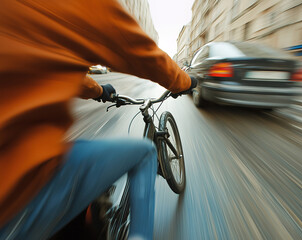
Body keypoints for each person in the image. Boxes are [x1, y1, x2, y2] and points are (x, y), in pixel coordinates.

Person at [0, 0, 196, 239]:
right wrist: (185, 82)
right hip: (22, 191)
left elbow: (46, 63)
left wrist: (99, 91)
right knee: (145, 153)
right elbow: (141, 52)